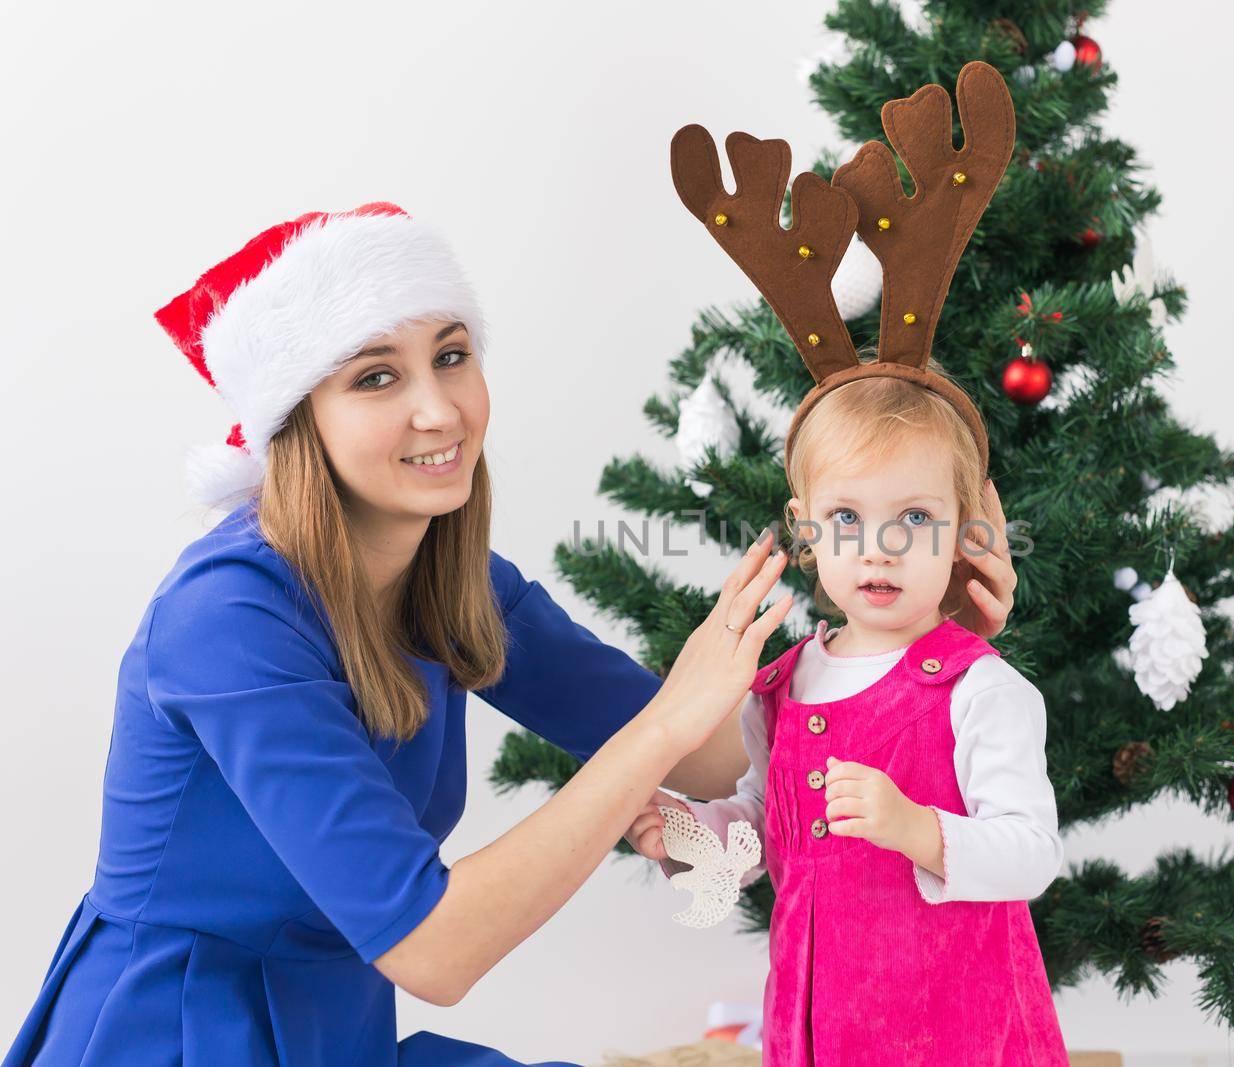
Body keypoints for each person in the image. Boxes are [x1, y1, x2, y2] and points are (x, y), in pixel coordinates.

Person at [2, 201, 1015, 1066]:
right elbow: (434, 947)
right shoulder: (224, 621)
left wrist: (910, 647)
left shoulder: (453, 581)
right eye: (375, 376)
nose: (439, 409)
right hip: (172, 1037)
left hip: (332, 1031)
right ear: (294, 415)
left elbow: (720, 755)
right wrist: (656, 732)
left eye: (451, 355)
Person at [625, 62, 1068, 1063]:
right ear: (805, 529)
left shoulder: (978, 690)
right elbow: (768, 832)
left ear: (963, 531)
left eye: (915, 516)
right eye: (848, 519)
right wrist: (694, 838)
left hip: (955, 1027)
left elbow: (1032, 851)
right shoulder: (783, 686)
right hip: (821, 1025)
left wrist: (922, 829)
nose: (879, 546)